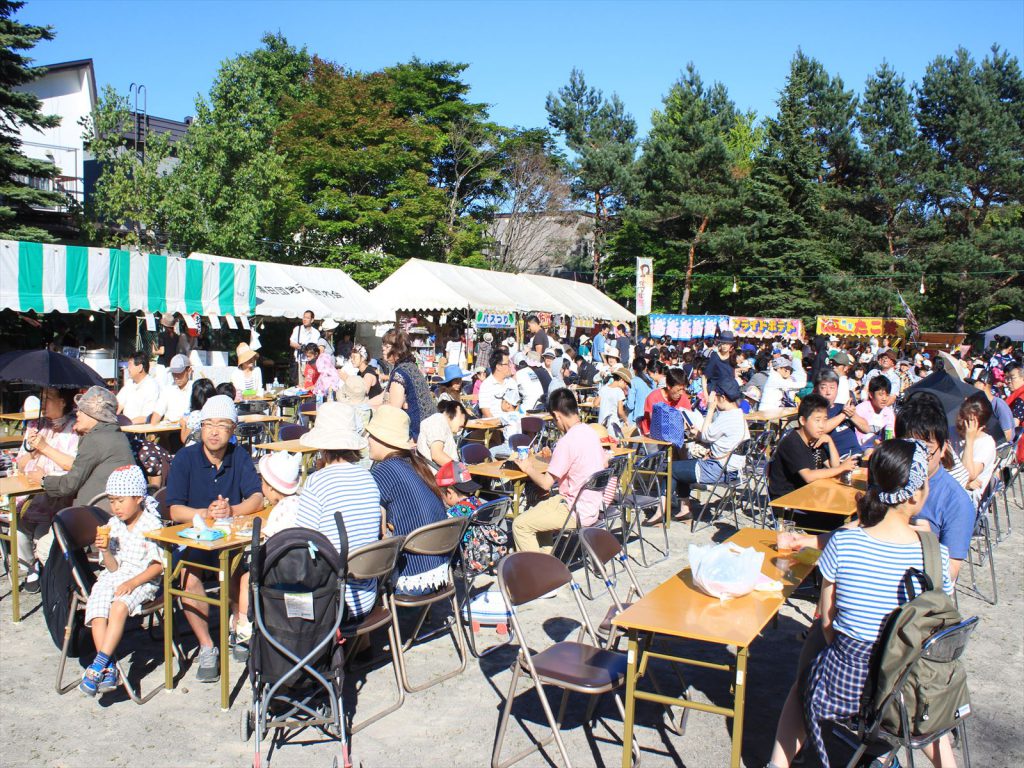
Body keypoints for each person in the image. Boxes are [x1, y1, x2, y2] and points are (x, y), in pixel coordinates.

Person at [766, 439, 955, 768]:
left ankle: (777, 764)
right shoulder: (934, 553)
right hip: (910, 689)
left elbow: (826, 619)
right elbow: (940, 623)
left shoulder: (845, 541)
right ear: (914, 494)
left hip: (848, 684)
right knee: (920, 696)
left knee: (803, 684)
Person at [166, 395, 264, 682]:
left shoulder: (239, 456)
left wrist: (232, 510)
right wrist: (203, 513)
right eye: (209, 424)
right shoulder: (186, 457)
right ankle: (207, 646)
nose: (214, 431)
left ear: (232, 429)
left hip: (229, 541)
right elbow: (173, 507)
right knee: (189, 576)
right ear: (201, 427)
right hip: (195, 539)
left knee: (241, 568)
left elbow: (256, 497)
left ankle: (238, 626)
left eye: (222, 425)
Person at [78, 465, 164, 697]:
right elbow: (113, 567)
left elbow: (157, 566)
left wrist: (133, 583)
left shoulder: (151, 525)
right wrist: (104, 551)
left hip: (142, 579)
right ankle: (109, 667)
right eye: (112, 501)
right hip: (116, 575)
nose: (115, 507)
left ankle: (98, 665)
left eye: (120, 501)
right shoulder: (113, 525)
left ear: (137, 498)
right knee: (97, 609)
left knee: (118, 606)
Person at [295, 403, 382, 619]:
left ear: (322, 448)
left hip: (332, 598)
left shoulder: (316, 481)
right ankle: (361, 646)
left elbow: (303, 541)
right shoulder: (369, 479)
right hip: (368, 593)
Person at [511, 389, 609, 553]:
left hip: (574, 510)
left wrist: (527, 467)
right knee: (539, 509)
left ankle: (538, 573)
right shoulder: (591, 432)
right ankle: (546, 561)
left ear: (557, 416)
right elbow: (602, 464)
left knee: (520, 525)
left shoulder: (567, 441)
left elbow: (546, 484)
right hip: (592, 506)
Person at [366, 406, 449, 594]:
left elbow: (376, 529)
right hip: (440, 568)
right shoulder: (414, 463)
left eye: (371, 435)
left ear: (383, 439)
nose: (368, 440)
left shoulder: (384, 471)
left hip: (413, 572)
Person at [14, 387, 80, 591]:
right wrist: (33, 451)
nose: (43, 402)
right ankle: (32, 568)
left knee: (42, 536)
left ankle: (50, 572)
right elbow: (21, 462)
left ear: (63, 401)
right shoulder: (36, 425)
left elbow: (73, 466)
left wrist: (44, 449)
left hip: (58, 497)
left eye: (49, 397)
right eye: (42, 396)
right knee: (17, 532)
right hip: (30, 495)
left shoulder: (75, 428)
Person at [666, 378, 748, 520]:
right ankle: (683, 509)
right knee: (682, 466)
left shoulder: (727, 417)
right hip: (735, 470)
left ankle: (663, 511)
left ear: (721, 398)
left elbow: (705, 436)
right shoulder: (739, 414)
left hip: (718, 470)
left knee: (672, 468)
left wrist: (710, 410)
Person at [767, 394, 859, 500]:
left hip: (808, 494)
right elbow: (808, 476)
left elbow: (834, 467)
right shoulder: (792, 441)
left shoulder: (814, 439)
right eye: (817, 420)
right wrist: (841, 468)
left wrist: (829, 441)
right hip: (787, 501)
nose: (822, 425)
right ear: (802, 421)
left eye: (825, 420)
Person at [436, 460, 508, 574]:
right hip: (482, 551)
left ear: (449, 492)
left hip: (464, 558)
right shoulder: (476, 501)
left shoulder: (454, 513)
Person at [379, 328, 437, 441]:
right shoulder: (410, 367)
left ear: (397, 349)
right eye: (383, 346)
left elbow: (393, 409)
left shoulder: (400, 373)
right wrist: (365, 404)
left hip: (417, 434)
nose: (383, 349)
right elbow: (385, 395)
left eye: (387, 347)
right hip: (429, 427)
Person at [815, 369, 867, 458]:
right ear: (817, 389)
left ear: (837, 390)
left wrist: (852, 415)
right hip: (840, 460)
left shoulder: (842, 407)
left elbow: (866, 429)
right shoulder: (816, 410)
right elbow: (821, 429)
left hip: (858, 455)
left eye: (832, 388)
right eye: (823, 387)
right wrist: (843, 415)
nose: (828, 392)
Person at [956, 392, 997, 502]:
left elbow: (968, 475)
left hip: (967, 500)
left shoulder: (986, 443)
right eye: (961, 415)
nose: (960, 422)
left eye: (967, 421)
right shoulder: (950, 432)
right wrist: (966, 484)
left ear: (980, 426)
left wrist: (969, 441)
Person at [639, 366, 692, 436]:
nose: (681, 393)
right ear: (668, 386)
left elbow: (689, 420)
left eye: (683, 389)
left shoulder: (683, 397)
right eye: (679, 390)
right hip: (652, 435)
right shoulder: (654, 398)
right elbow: (657, 425)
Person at [417, 399, 468, 466]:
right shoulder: (438, 421)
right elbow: (437, 455)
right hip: (436, 474)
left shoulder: (441, 422)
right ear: (458, 411)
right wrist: (460, 470)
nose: (462, 426)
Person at [116, 352, 161, 424]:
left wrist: (127, 424)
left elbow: (146, 417)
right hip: (124, 426)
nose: (128, 368)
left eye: (130, 365)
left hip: (138, 429)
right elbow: (118, 404)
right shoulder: (130, 382)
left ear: (140, 367)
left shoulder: (151, 386)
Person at [854, 375, 895, 448]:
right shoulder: (860, 409)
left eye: (887, 395)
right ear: (871, 395)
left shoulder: (889, 413)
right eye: (880, 395)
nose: (884, 399)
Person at [972, 370, 1014, 443]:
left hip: (1000, 448)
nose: (974, 385)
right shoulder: (978, 404)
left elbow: (1008, 434)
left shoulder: (999, 404)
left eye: (977, 382)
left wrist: (989, 447)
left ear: (984, 385)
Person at [179, 378, 216, 445]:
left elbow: (184, 439)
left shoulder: (195, 415)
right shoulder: (216, 412)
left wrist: (183, 424)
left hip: (194, 449)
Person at [158, 354, 194, 423]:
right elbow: (158, 412)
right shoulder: (167, 389)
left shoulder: (195, 389)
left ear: (189, 371)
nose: (176, 377)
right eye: (174, 373)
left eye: (180, 373)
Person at [289, 309, 321, 384]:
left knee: (310, 383)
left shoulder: (316, 332)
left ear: (312, 320)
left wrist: (307, 349)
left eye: (307, 318)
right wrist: (300, 347)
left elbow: (315, 347)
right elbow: (291, 342)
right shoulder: (298, 329)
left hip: (311, 361)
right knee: (300, 384)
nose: (305, 319)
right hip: (299, 360)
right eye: (304, 317)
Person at [596, 367, 631, 432]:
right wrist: (626, 420)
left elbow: (595, 403)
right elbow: (620, 411)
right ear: (621, 380)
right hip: (613, 426)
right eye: (626, 383)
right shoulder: (619, 391)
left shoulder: (604, 388)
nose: (626, 386)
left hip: (601, 424)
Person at [624, 357, 654, 428]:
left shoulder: (633, 382)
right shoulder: (652, 381)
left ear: (634, 369)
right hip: (650, 416)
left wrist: (624, 404)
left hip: (637, 419)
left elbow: (630, 405)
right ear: (645, 367)